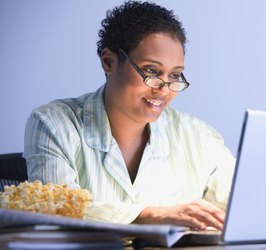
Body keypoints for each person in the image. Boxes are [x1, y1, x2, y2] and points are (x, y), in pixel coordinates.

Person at [24, 1, 235, 230]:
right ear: (109, 62)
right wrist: (151, 216)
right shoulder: (53, 124)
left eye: (175, 75)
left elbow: (240, 209)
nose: (164, 89)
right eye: (151, 71)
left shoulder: (200, 137)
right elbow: (57, 213)